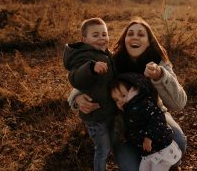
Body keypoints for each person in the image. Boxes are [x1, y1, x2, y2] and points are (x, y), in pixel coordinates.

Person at [68, 17, 187, 171]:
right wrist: (76, 97)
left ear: (149, 41)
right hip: (122, 122)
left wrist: (160, 76)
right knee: (131, 168)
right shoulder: (113, 60)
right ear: (125, 39)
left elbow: (179, 103)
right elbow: (84, 78)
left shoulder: (159, 62)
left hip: (153, 114)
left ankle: (163, 163)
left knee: (179, 143)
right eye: (130, 33)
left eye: (141, 34)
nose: (135, 37)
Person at [63, 18, 117, 171]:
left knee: (111, 142)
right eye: (95, 35)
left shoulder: (107, 54)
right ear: (84, 39)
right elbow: (75, 78)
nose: (101, 38)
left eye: (104, 34)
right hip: (95, 116)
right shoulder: (83, 57)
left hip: (108, 111)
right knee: (102, 149)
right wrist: (91, 68)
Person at [110, 73, 182, 171]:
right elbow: (133, 128)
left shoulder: (144, 104)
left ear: (133, 91)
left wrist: (149, 137)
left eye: (123, 95)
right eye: (116, 99)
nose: (120, 101)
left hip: (161, 148)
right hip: (147, 152)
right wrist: (127, 137)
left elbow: (157, 119)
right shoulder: (127, 110)